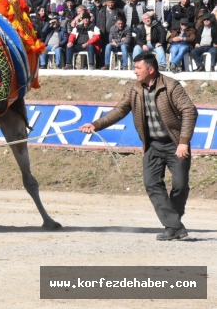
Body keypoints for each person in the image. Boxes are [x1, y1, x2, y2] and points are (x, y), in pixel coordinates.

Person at [80, 52, 197, 241]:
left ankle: (173, 227)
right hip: (152, 145)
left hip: (175, 144)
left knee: (180, 186)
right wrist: (96, 124)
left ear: (150, 69)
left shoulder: (170, 86)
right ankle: (174, 226)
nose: (134, 72)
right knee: (151, 183)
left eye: (138, 68)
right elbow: (119, 110)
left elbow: (189, 111)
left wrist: (183, 141)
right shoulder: (135, 89)